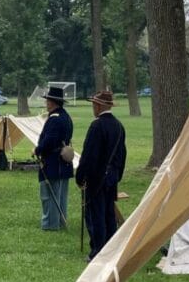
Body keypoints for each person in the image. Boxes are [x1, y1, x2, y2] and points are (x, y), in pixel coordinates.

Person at [75, 90, 126, 260]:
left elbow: (89, 155)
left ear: (98, 106)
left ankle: (98, 251)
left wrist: (81, 176)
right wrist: (117, 175)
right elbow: (122, 155)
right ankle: (110, 248)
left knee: (95, 214)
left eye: (94, 105)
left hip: (96, 177)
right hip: (111, 177)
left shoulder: (97, 126)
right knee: (108, 214)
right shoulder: (119, 126)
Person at [34, 85, 74, 230]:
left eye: (48, 101)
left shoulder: (55, 119)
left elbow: (49, 140)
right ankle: (60, 221)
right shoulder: (65, 116)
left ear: (53, 102)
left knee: (49, 194)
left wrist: (37, 150)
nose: (46, 103)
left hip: (53, 161)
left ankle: (51, 224)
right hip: (62, 161)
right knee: (61, 194)